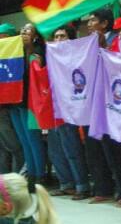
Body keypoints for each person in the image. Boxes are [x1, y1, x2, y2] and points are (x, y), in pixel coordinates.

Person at [85, 9, 121, 207]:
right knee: (99, 149)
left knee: (116, 149)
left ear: (104, 24)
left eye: (93, 20)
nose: (89, 24)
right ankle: (104, 189)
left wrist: (103, 47)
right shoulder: (87, 42)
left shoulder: (117, 40)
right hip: (95, 102)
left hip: (116, 101)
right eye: (88, 20)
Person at [46, 25, 90, 200]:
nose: (58, 40)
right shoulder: (51, 56)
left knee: (73, 149)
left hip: (73, 108)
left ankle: (82, 186)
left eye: (62, 36)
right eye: (56, 37)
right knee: (56, 150)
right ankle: (67, 184)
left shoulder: (76, 57)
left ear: (71, 39)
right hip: (56, 108)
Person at [9, 24, 46, 191]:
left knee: (33, 140)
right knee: (24, 141)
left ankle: (40, 176)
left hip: (29, 102)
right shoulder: (13, 51)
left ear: (35, 35)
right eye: (22, 29)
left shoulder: (38, 51)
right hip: (13, 101)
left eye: (28, 30)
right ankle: (30, 174)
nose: (24, 31)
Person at [0, 23, 24, 174]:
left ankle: (16, 180)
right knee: (2, 148)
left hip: (9, 108)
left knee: (14, 147)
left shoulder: (15, 54)